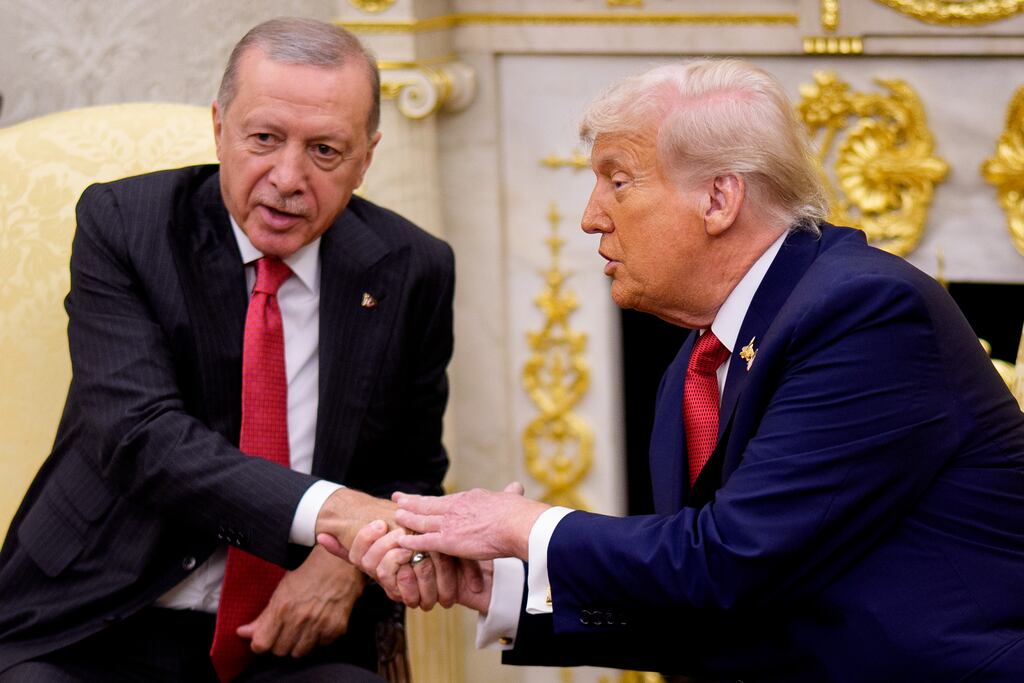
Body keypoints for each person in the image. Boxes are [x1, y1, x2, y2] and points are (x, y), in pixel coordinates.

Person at [347, 58, 1024, 682]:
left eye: (618, 180)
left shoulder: (866, 312)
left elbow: (731, 559)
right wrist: (504, 584)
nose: (589, 218)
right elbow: (708, 601)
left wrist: (525, 525)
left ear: (719, 199)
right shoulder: (699, 361)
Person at [0, 17, 453, 683]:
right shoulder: (127, 226)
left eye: (326, 150)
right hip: (99, 613)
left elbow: (413, 471)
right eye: (264, 139)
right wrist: (336, 513)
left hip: (288, 629)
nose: (288, 176)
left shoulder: (411, 266)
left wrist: (345, 561)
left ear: (368, 155)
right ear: (220, 128)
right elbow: (141, 436)